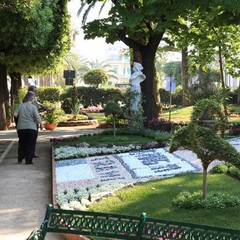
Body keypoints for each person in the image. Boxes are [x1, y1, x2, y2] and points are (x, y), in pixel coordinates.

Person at [14, 91, 43, 164]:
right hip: (31, 128)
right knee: (30, 144)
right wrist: (41, 124)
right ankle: (28, 161)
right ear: (32, 99)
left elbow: (15, 115)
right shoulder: (33, 107)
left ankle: (20, 159)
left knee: (22, 143)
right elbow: (37, 118)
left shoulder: (20, 106)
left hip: (21, 128)